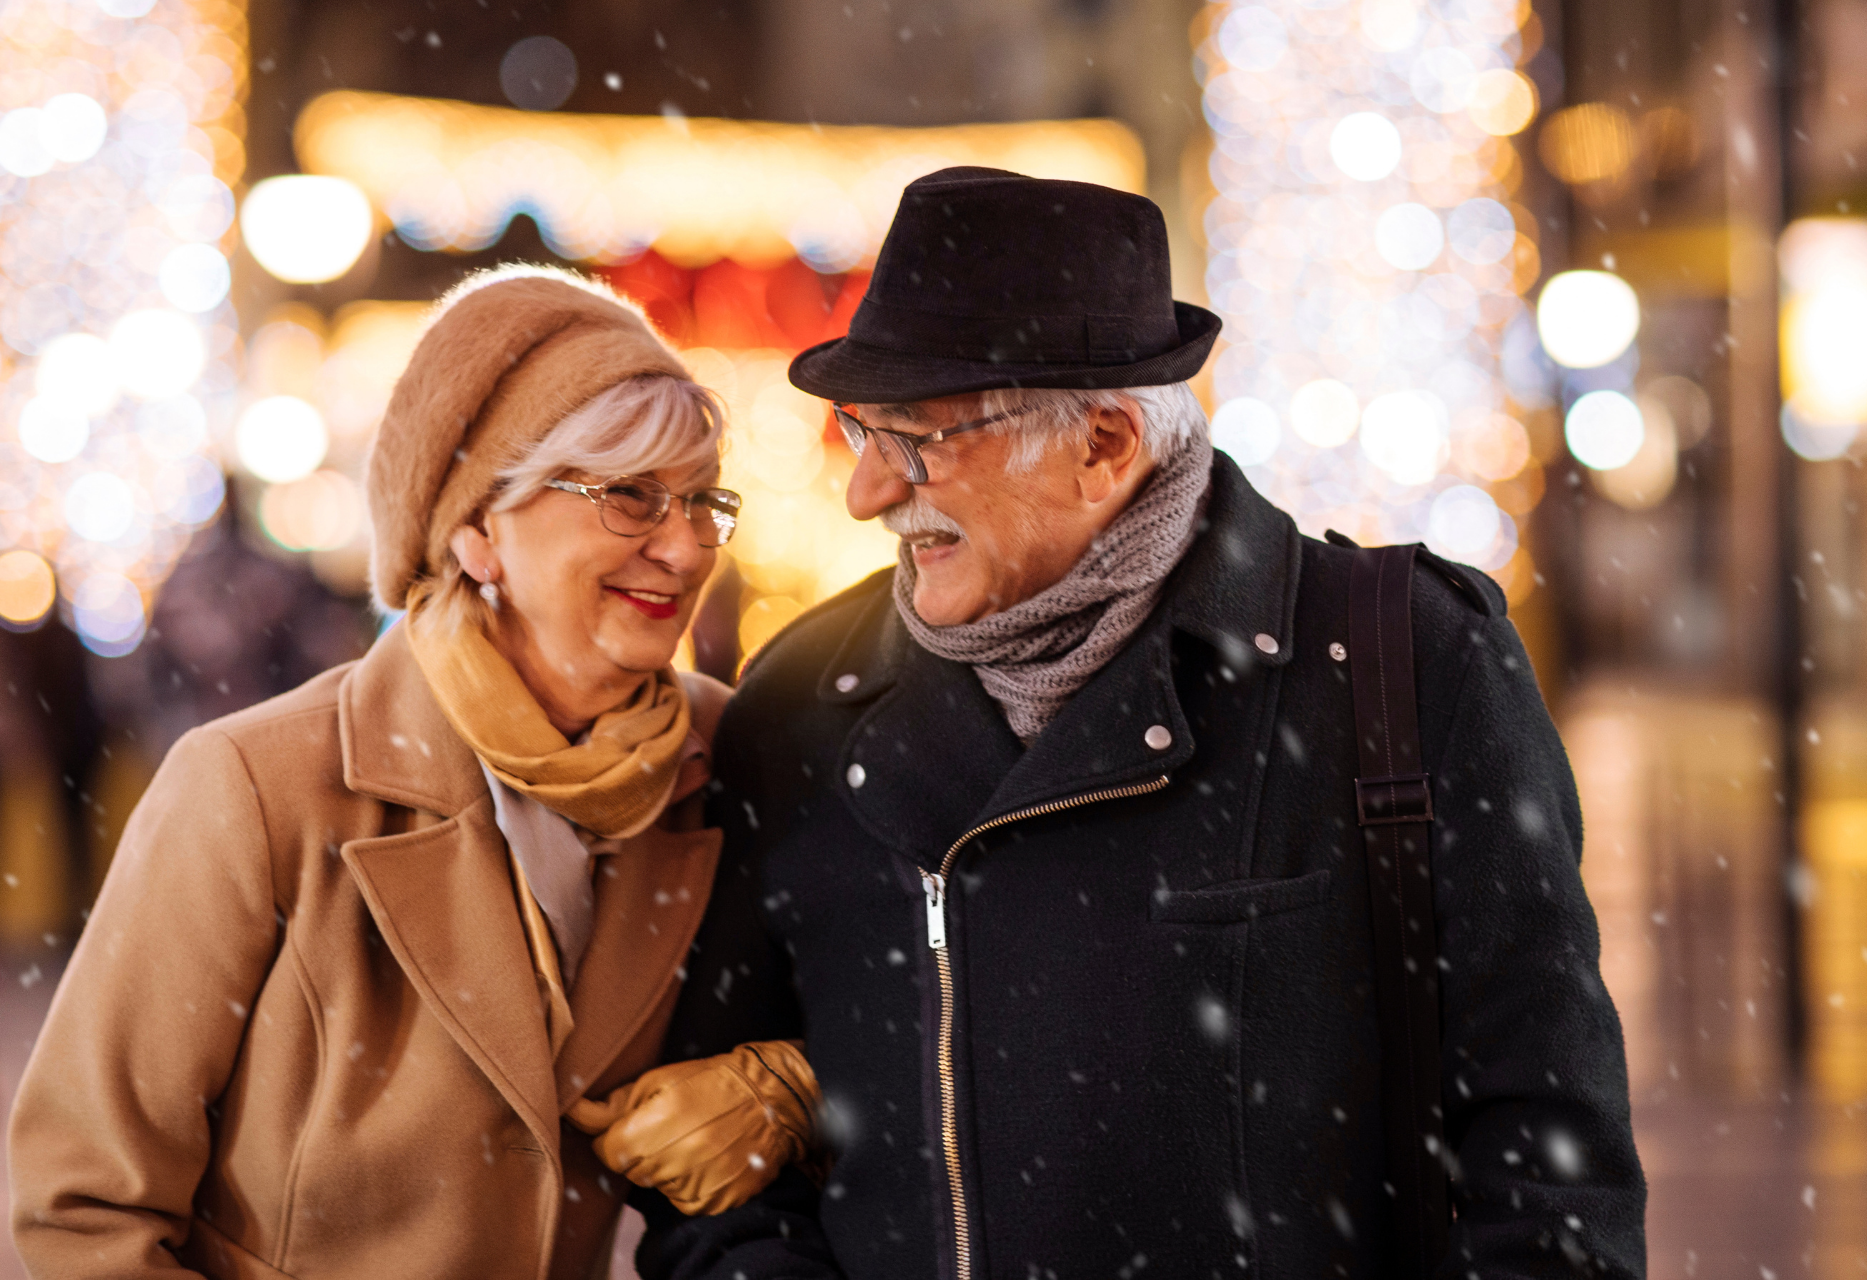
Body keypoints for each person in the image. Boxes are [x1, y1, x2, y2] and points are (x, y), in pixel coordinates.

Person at [634, 169, 1647, 1279]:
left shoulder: (1403, 669)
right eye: (860, 429)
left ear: (1107, 443)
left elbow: (1546, 1162)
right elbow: (719, 1178)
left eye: (918, 439)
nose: (867, 491)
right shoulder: (799, 711)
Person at [8, 268, 814, 1279]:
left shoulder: (722, 758)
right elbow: (81, 1206)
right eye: (629, 497)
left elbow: (907, 1008)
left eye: (703, 502)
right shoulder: (255, 785)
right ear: (477, 528)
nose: (685, 546)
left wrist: (793, 1082)